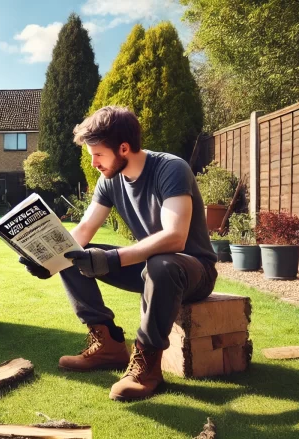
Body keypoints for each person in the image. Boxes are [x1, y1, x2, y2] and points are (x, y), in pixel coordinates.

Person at [19, 106, 217, 401]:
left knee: (162, 265)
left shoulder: (171, 169)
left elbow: (176, 237)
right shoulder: (109, 180)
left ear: (124, 148)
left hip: (192, 271)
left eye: (98, 155)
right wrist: (49, 260)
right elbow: (84, 229)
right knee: (75, 253)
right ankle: (108, 343)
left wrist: (112, 259)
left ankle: (147, 364)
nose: (93, 162)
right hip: (148, 267)